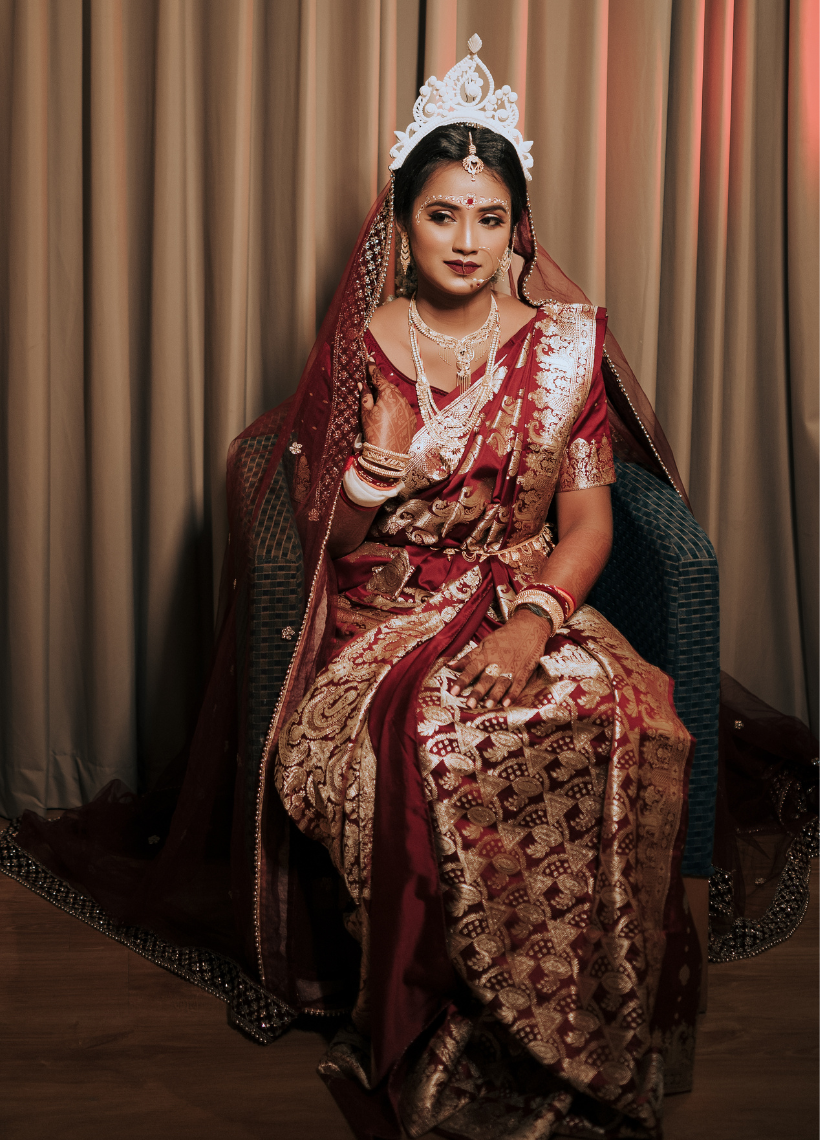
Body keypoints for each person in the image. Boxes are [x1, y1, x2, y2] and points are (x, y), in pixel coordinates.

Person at [4, 37, 702, 1140]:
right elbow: (331, 541)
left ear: (518, 230)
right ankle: (446, 1027)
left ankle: (580, 1026)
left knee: (632, 717)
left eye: (488, 218)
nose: (465, 240)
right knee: (440, 739)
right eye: (441, 214)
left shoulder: (564, 349)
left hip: (533, 600)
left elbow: (589, 527)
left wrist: (530, 625)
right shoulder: (363, 346)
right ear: (402, 222)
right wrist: (381, 466)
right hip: (389, 611)